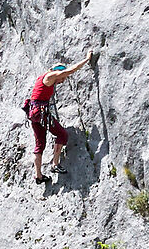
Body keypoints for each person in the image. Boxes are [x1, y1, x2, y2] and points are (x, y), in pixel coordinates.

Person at [26, 52, 96, 182]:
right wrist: (86, 59)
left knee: (40, 144)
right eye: (62, 78)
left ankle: (38, 175)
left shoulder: (42, 78)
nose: (62, 81)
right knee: (62, 135)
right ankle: (55, 164)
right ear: (58, 73)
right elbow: (71, 70)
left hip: (34, 113)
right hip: (40, 112)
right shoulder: (51, 76)